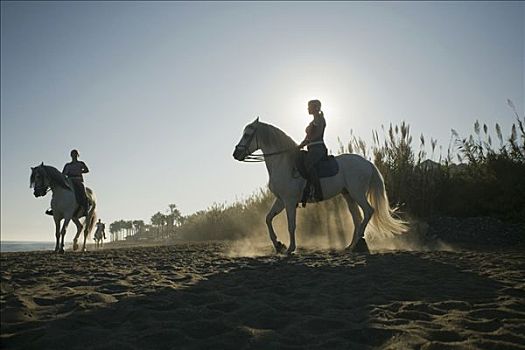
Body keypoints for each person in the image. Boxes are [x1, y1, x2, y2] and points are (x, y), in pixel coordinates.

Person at [298, 99, 327, 206]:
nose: (307, 109)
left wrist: (306, 142)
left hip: (318, 148)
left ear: (315, 107)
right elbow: (307, 138)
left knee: (308, 164)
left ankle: (317, 192)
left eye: (309, 107)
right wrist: (298, 146)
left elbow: (318, 134)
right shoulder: (311, 122)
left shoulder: (320, 119)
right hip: (310, 149)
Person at [46, 149, 90, 216]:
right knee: (58, 191)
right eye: (72, 154)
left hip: (78, 180)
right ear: (71, 156)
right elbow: (63, 174)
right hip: (69, 180)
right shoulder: (68, 165)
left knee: (82, 192)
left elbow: (87, 170)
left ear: (77, 155)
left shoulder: (81, 163)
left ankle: (85, 208)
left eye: (75, 154)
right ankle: (54, 208)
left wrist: (80, 171)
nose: (74, 156)